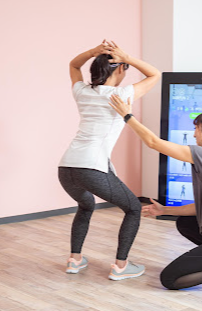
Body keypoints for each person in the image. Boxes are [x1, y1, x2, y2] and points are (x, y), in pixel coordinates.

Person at [108, 96, 202, 294]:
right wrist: (165, 209)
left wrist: (127, 115)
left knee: (169, 278)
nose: (193, 135)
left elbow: (153, 142)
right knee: (184, 222)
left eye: (196, 129)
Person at [58, 40, 160, 280]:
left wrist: (94, 52)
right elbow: (155, 74)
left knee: (86, 205)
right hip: (90, 168)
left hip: (66, 166)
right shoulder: (122, 94)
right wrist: (127, 56)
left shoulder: (82, 91)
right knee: (133, 208)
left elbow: (74, 64)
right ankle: (121, 266)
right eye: (125, 67)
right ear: (121, 69)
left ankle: (74, 260)